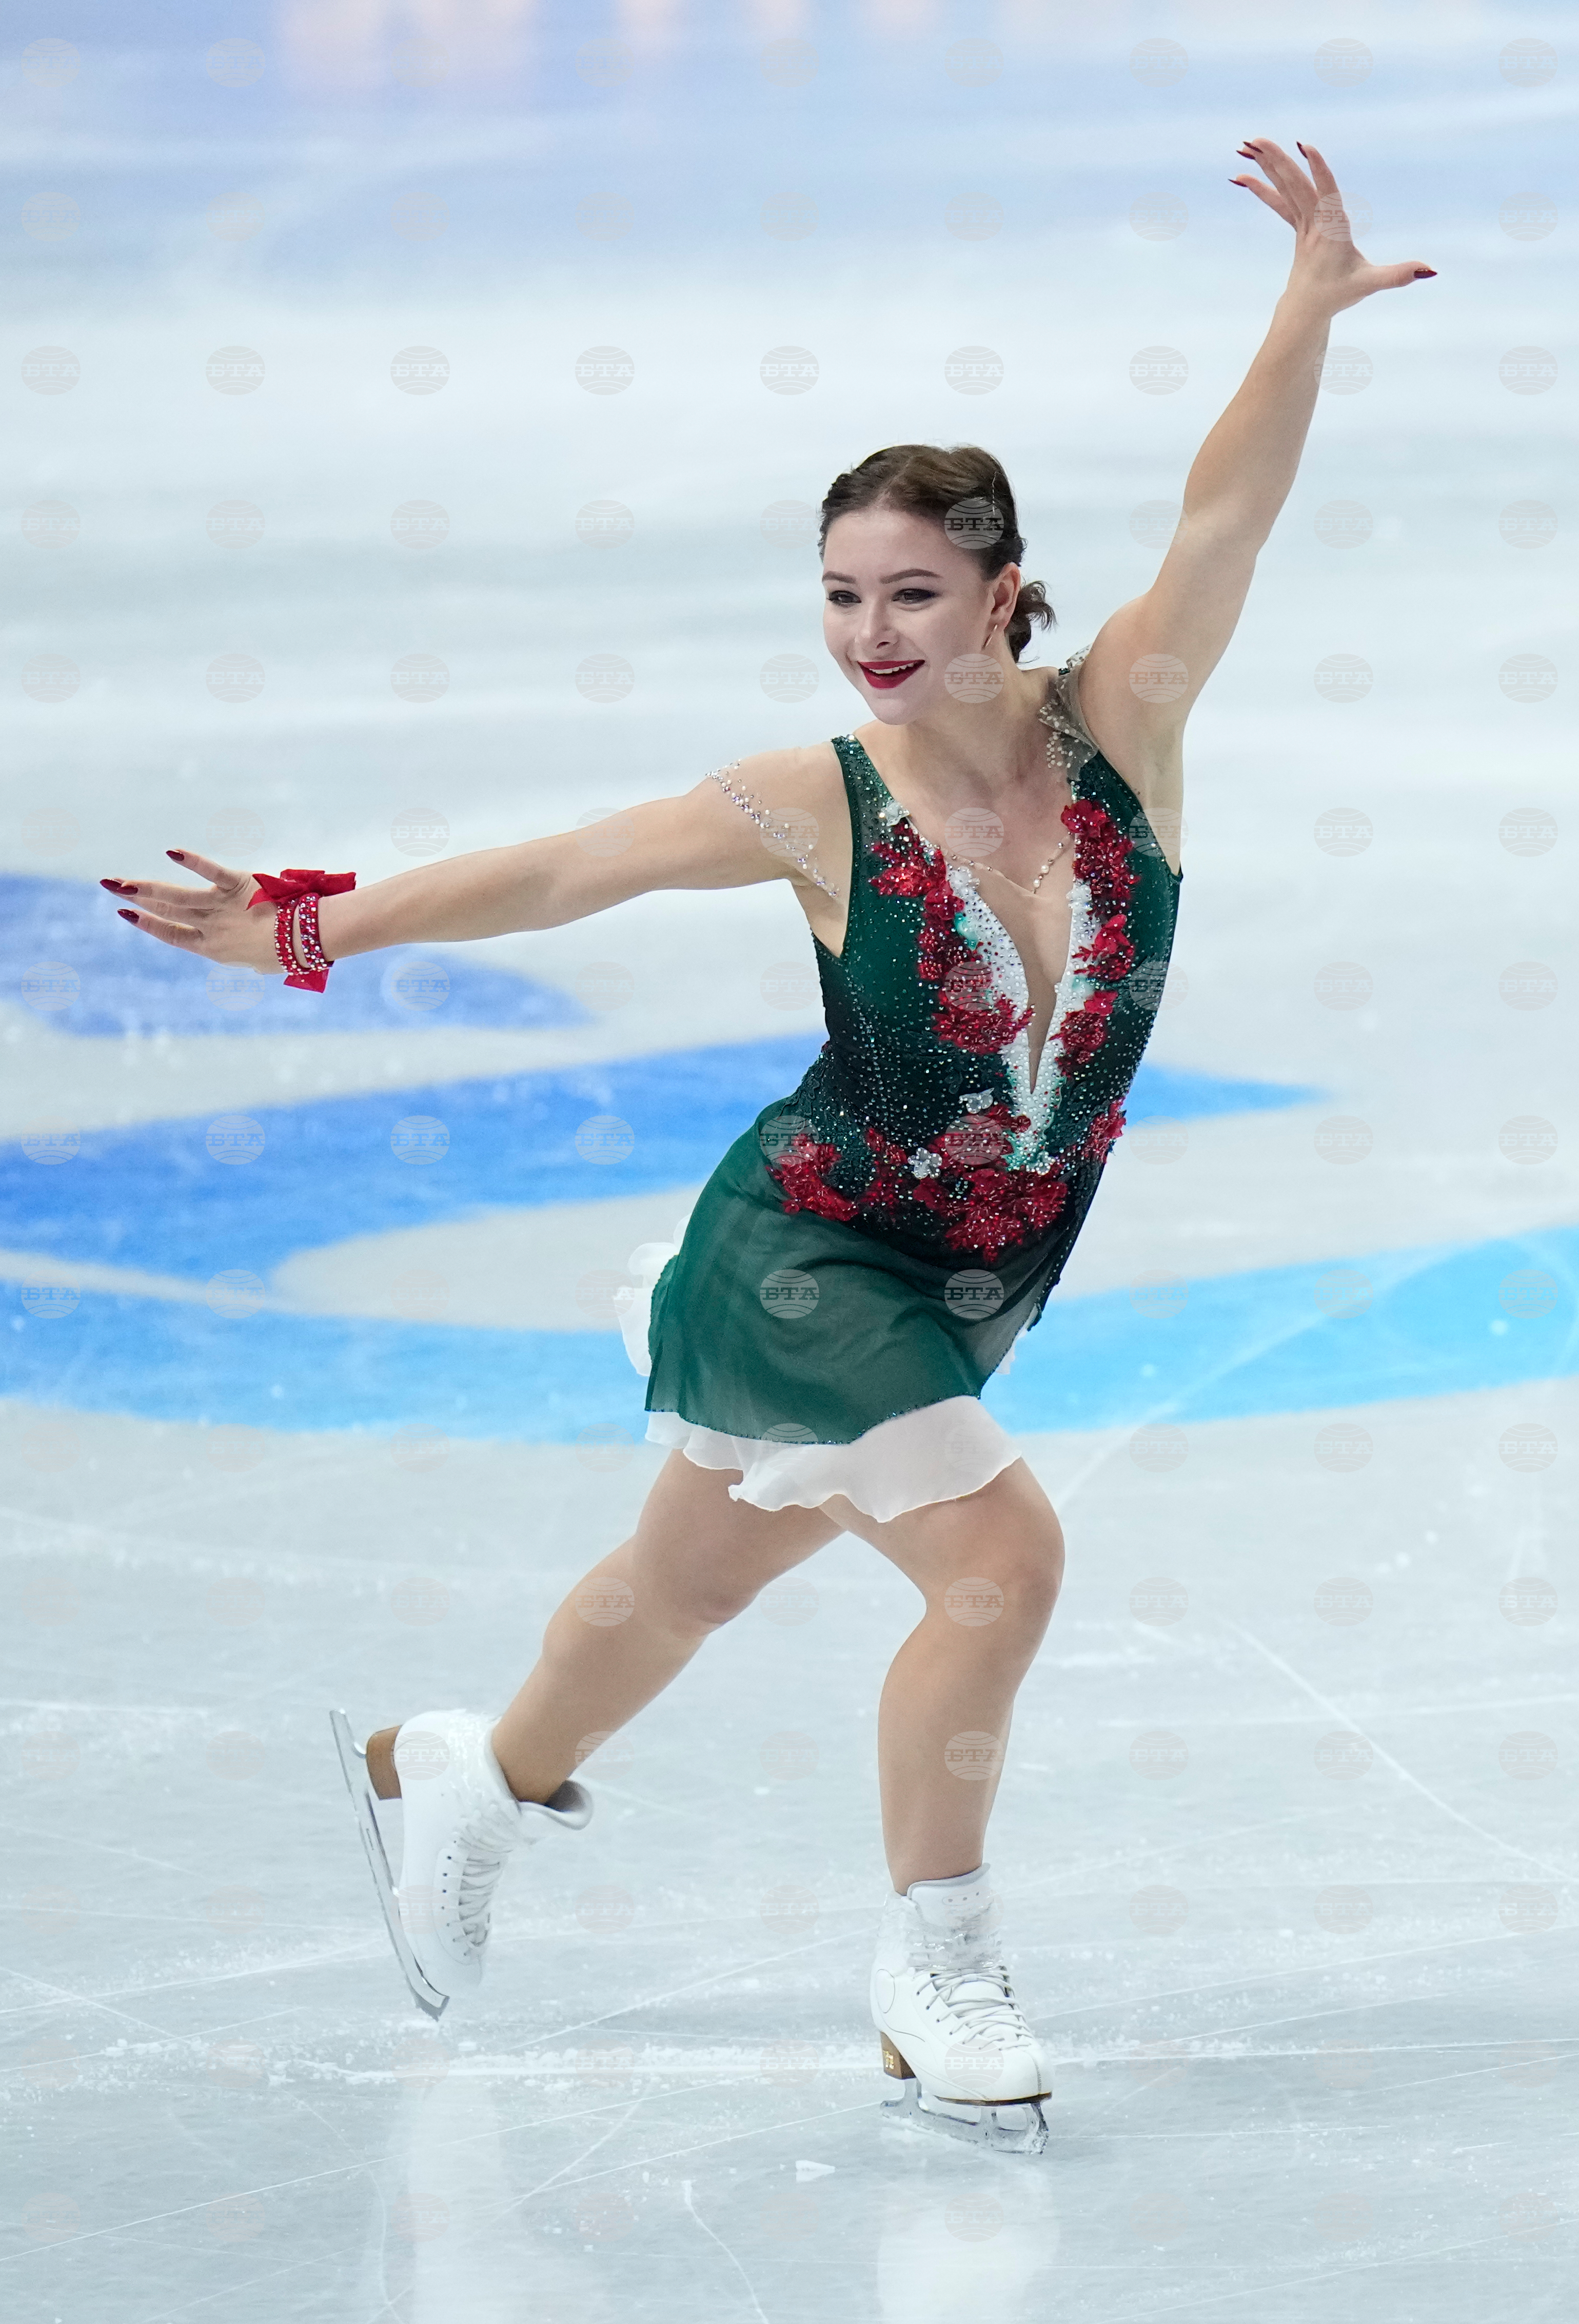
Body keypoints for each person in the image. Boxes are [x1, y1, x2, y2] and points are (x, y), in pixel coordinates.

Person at [103, 140, 1433, 2154]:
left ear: (1003, 588)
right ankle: (939, 1963)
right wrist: (315, 921)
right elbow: (554, 869)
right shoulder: (812, 798)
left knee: (673, 1597)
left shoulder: (1121, 732)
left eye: (910, 593)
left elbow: (1224, 509)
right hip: (802, 1257)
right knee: (997, 1563)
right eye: (836, 598)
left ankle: (465, 1768)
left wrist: (1296, 316)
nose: (868, 635)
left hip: (970, 1282)